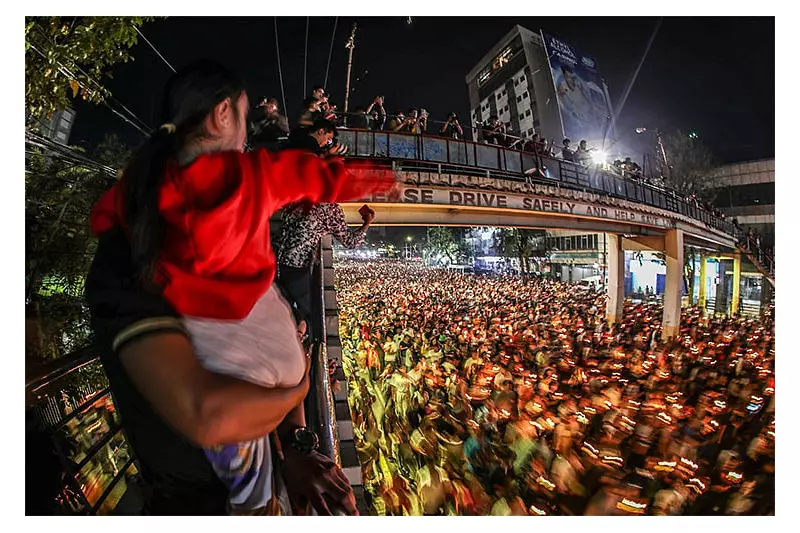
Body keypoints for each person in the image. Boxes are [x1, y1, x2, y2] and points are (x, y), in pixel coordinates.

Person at [85, 59, 394, 515]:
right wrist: (375, 180)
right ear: (222, 114)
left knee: (249, 448)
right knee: (284, 369)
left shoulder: (142, 204)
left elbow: (106, 211)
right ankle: (256, 508)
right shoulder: (252, 179)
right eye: (245, 116)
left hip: (222, 354)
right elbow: (211, 416)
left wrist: (295, 444)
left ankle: (256, 503)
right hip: (197, 492)